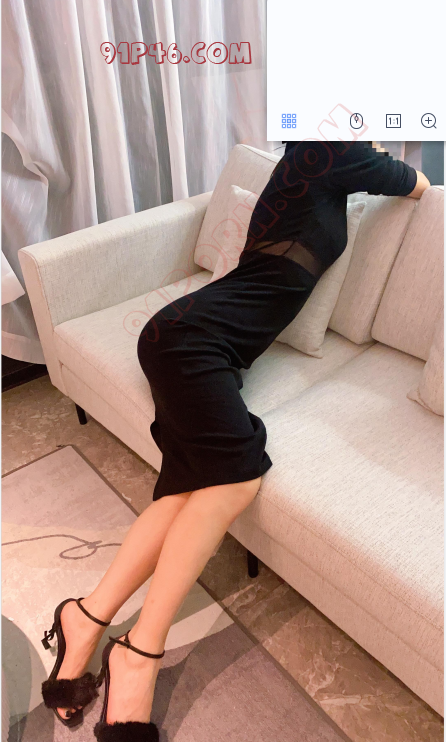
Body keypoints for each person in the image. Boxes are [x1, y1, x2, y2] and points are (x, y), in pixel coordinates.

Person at [40, 140, 430, 741]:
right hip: (192, 340)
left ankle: (85, 618)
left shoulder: (316, 165)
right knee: (240, 476)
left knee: (185, 490)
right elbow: (415, 183)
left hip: (196, 343)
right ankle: (139, 653)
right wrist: (373, 146)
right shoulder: (328, 149)